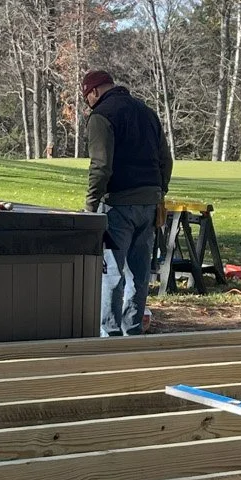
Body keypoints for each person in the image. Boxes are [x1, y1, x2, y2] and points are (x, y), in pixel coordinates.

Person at [82, 68, 173, 337]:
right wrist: (159, 192)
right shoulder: (147, 112)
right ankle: (132, 332)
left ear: (95, 91)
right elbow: (166, 161)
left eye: (86, 96)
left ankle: (109, 336)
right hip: (150, 205)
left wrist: (90, 205)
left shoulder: (101, 116)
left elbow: (100, 166)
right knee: (139, 274)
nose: (87, 101)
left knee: (111, 273)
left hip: (117, 206)